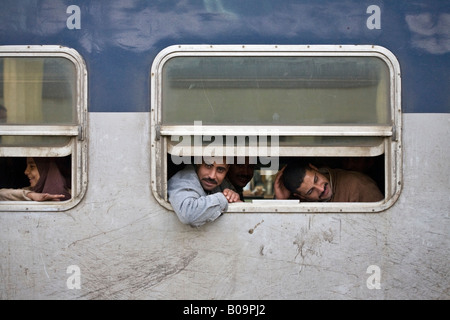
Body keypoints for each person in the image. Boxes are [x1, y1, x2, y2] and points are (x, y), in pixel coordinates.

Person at [167, 158, 241, 227]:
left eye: (220, 169)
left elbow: (240, 205)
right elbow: (188, 215)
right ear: (198, 163)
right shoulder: (183, 180)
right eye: (208, 166)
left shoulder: (222, 183)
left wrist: (233, 198)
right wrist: (223, 198)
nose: (212, 176)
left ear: (227, 169)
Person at [274, 159, 383, 202]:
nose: (321, 189)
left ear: (314, 168)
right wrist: (281, 201)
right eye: (310, 191)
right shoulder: (300, 203)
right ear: (301, 196)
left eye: (316, 179)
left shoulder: (359, 184)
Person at [0, 157, 71, 201]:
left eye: (32, 166)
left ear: (46, 170)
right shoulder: (33, 191)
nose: (26, 172)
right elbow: (2, 194)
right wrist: (31, 195)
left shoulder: (73, 195)